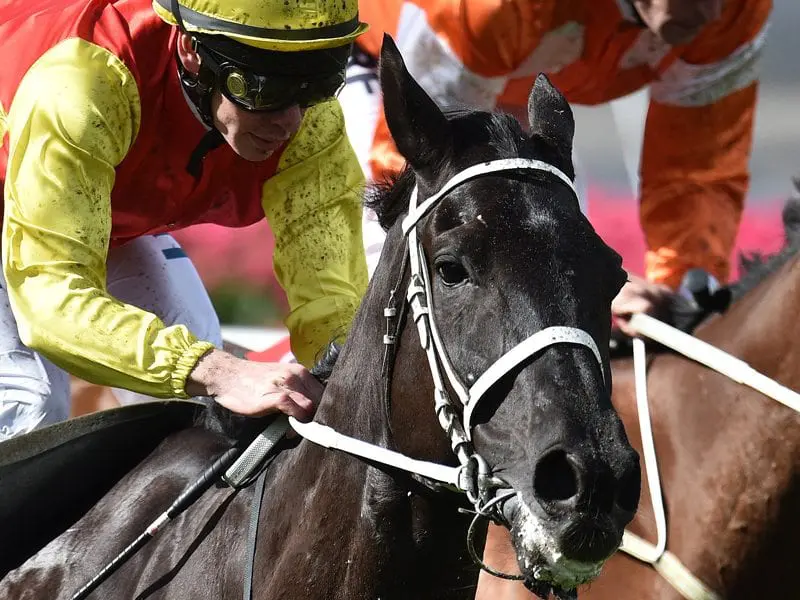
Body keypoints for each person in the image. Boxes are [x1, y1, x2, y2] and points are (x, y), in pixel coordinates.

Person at [0, 0, 369, 439]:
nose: (290, 121)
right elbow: (49, 298)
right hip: (34, 220)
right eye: (266, 88)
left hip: (81, 215)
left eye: (317, 85)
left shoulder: (311, 125)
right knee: (28, 405)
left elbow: (334, 310)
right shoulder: (84, 84)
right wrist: (218, 371)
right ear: (192, 50)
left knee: (194, 402)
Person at [338, 0, 771, 337]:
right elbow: (421, 167)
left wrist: (676, 303)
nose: (713, 13)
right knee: (419, 281)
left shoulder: (737, 11)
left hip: (509, 86)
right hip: (383, 70)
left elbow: (696, 171)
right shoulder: (494, 9)